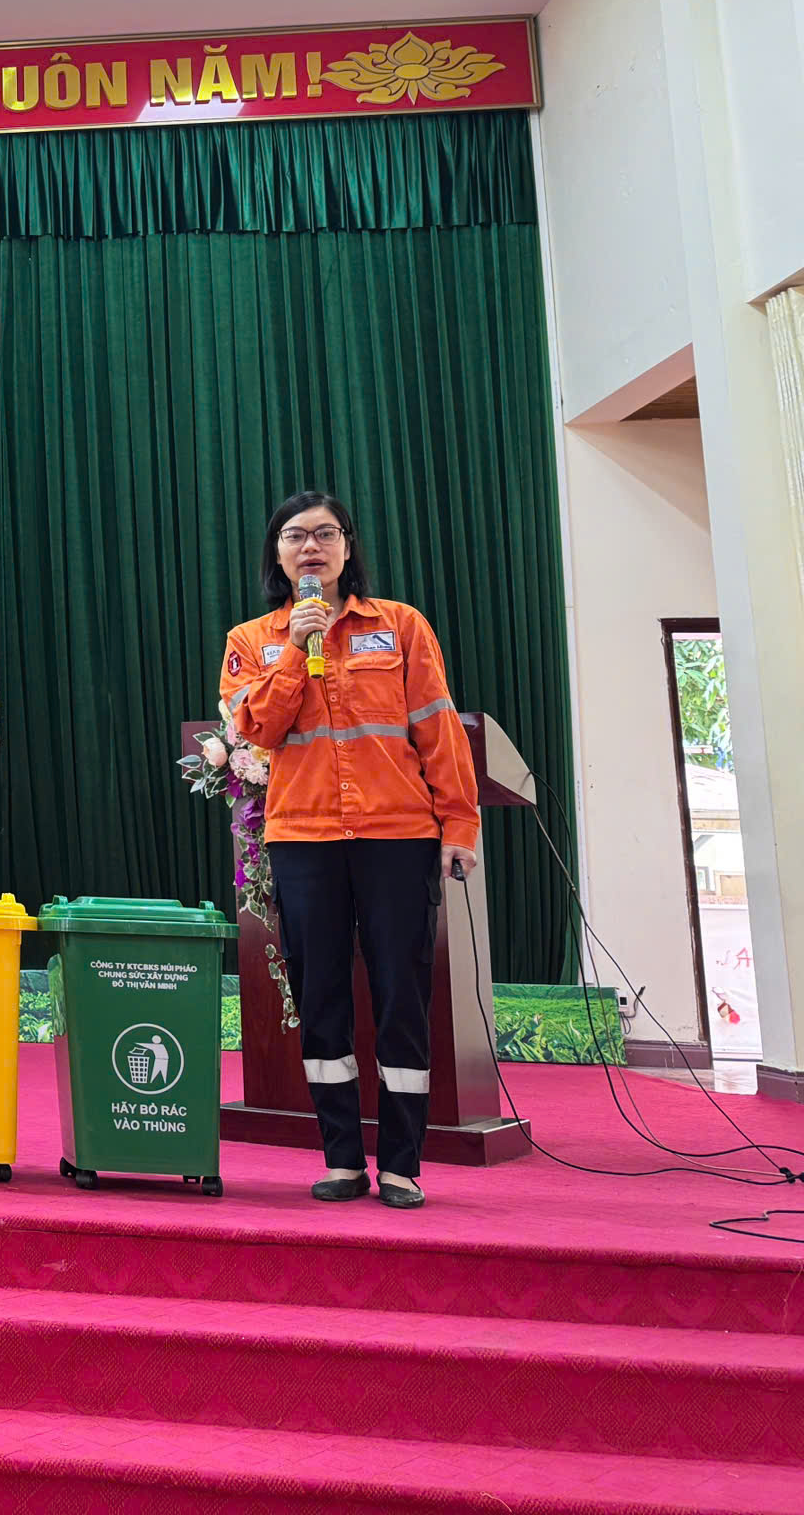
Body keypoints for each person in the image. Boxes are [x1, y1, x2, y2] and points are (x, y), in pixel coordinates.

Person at [218, 492, 481, 1210]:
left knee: (402, 996)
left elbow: (438, 730)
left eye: (325, 533)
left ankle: (401, 1164)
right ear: (277, 555)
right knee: (322, 999)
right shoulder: (251, 641)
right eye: (295, 536)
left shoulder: (400, 625)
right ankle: (341, 1158)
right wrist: (295, 653)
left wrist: (459, 826)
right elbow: (256, 731)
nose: (311, 547)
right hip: (304, 840)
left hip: (398, 836)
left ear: (347, 546)